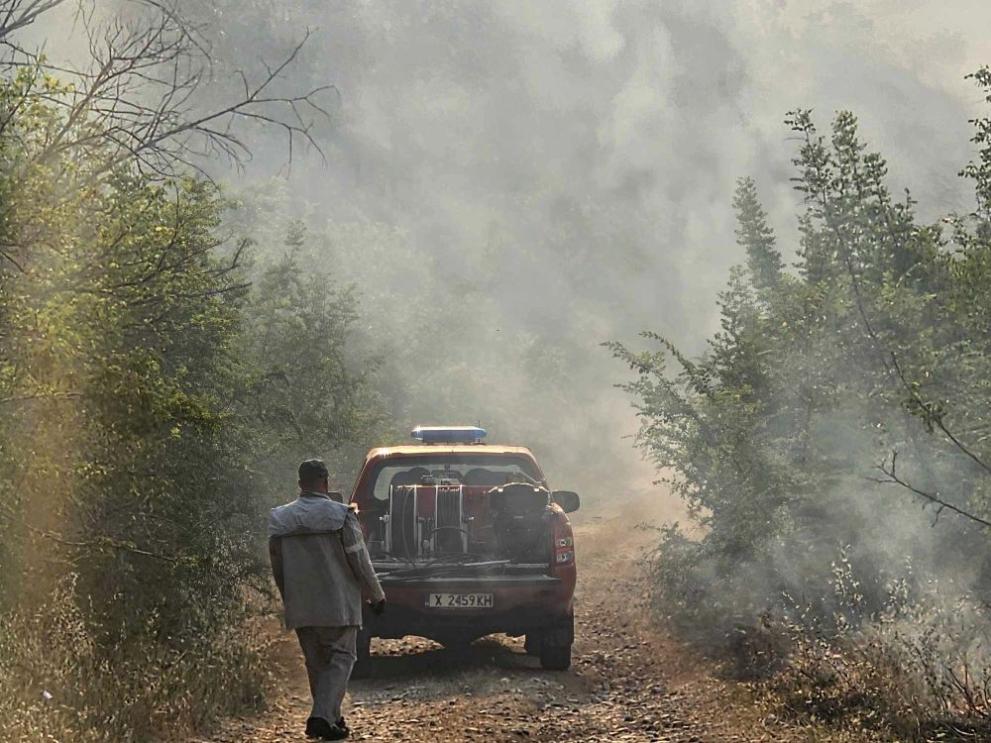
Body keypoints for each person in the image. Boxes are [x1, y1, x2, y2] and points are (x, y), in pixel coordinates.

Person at [269, 459, 386, 741]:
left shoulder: (280, 519)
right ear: (326, 481)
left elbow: (277, 565)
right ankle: (320, 716)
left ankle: (332, 719)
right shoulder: (341, 515)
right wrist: (376, 594)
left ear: (300, 483)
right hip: (338, 605)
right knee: (342, 659)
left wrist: (289, 598)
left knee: (317, 664)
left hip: (302, 606)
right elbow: (359, 559)